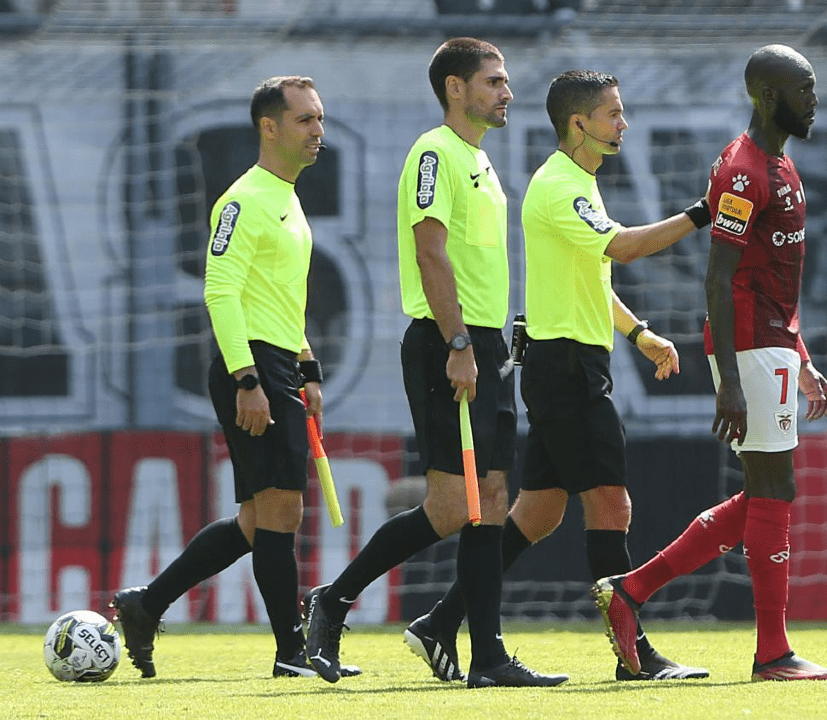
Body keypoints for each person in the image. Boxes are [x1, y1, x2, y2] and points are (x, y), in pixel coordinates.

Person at [403, 69, 712, 683]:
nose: (623, 124)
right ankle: (633, 655)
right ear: (580, 124)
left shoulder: (578, 185)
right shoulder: (560, 186)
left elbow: (592, 274)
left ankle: (441, 621)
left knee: (538, 514)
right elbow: (621, 248)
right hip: (566, 368)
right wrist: (702, 213)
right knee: (611, 505)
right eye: (614, 113)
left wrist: (637, 332)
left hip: (566, 361)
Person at [302, 38, 565, 688]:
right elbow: (430, 255)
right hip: (448, 344)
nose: (507, 92)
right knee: (454, 506)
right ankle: (332, 600)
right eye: (494, 81)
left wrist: (504, 334)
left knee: (491, 501)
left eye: (505, 82)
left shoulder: (479, 162)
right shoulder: (434, 153)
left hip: (486, 343)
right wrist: (457, 345)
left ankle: (487, 659)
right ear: (456, 87)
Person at [591, 45, 827, 683]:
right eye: (803, 89)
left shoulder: (782, 163)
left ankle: (632, 591)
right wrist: (730, 378)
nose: (814, 100)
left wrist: (801, 356)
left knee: (764, 491)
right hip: (749, 346)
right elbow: (719, 277)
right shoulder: (742, 170)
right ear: (767, 95)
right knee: (774, 489)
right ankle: (772, 653)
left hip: (773, 343)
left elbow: (776, 280)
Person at [110, 76, 349, 679]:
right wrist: (249, 379)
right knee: (281, 511)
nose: (318, 130)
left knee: (258, 519)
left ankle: (145, 605)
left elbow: (281, 299)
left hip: (278, 364)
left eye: (319, 119)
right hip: (252, 366)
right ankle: (291, 654)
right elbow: (221, 292)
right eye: (305, 120)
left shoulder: (288, 198)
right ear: (269, 128)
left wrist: (308, 366)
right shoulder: (241, 200)